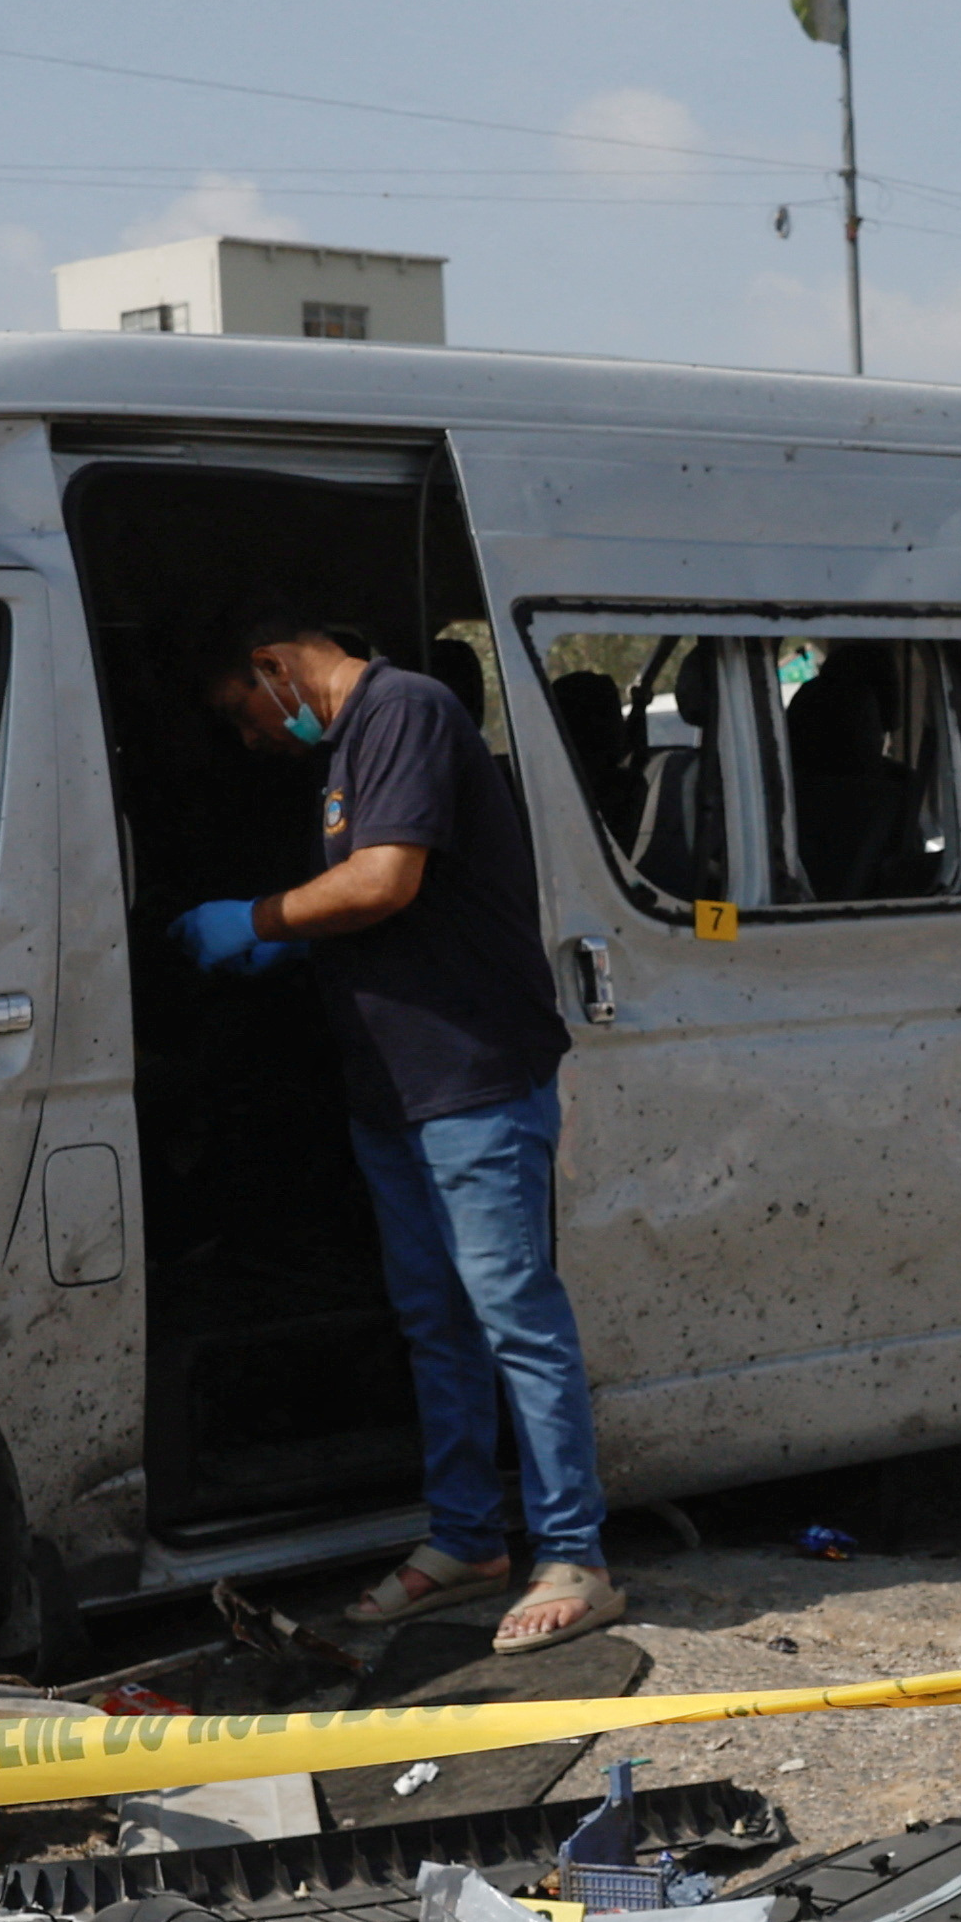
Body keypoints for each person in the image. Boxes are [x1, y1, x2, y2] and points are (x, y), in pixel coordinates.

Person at [181, 612, 618, 1652]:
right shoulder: (343, 747)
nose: (250, 742)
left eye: (242, 716)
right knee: (437, 1322)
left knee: (514, 1315)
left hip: (470, 1076)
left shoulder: (405, 708)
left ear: (272, 664)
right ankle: (467, 1539)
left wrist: (257, 920)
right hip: (397, 1088)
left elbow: (385, 881)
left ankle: (576, 1554)